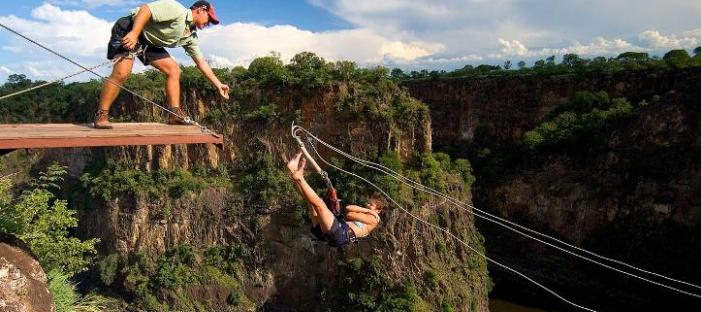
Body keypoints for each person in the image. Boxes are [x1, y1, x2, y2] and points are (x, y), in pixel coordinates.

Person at [94, 0, 230, 129]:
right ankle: (101, 114)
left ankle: (174, 115)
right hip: (130, 28)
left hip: (149, 43)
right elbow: (145, 10)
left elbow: (201, 62)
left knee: (174, 70)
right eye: (209, 19)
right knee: (121, 73)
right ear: (200, 10)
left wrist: (218, 84)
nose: (209, 23)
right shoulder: (176, 10)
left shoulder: (191, 36)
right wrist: (134, 33)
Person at [287, 152, 385, 247]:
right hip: (331, 233)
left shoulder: (373, 220)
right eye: (368, 203)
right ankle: (293, 172)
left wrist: (369, 212)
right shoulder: (367, 213)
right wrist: (367, 210)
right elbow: (349, 207)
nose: (367, 205)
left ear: (378, 210)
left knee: (320, 205)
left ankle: (299, 177)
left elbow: (350, 214)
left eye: (371, 205)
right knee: (311, 205)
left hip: (340, 234)